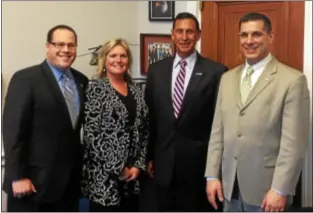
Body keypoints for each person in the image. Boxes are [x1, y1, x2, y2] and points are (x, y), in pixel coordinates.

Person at [205, 12, 310, 212]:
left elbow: (293, 144)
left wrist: (280, 189)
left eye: (256, 35)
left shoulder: (292, 81)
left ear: (270, 37)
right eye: (244, 35)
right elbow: (217, 132)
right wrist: (212, 176)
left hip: (267, 192)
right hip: (229, 188)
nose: (249, 41)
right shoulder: (227, 78)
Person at [145, 12, 228, 211]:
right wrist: (149, 156)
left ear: (198, 35)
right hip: (164, 167)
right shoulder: (156, 71)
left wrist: (215, 170)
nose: (184, 37)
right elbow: (151, 118)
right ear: (172, 34)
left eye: (190, 32)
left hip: (199, 168)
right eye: (179, 31)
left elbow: (220, 123)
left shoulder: (216, 72)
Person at [2, 24, 89, 212]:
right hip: (32, 185)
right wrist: (17, 176)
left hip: (68, 187)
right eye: (59, 44)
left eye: (71, 45)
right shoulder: (26, 79)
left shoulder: (82, 81)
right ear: (47, 47)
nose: (66, 50)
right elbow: (12, 130)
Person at [81, 38, 149, 212]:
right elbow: (92, 136)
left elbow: (144, 130)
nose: (118, 60)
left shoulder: (135, 90)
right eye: (113, 55)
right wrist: (119, 169)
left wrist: (137, 166)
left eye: (123, 56)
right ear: (104, 59)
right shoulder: (95, 89)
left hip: (132, 180)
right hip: (104, 180)